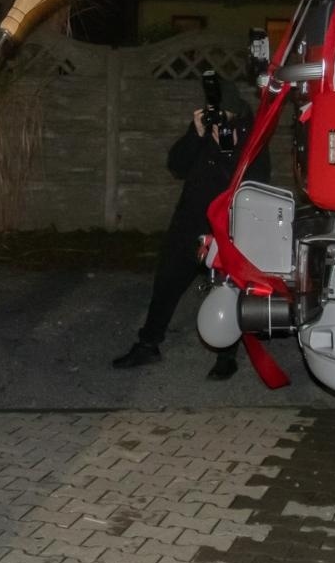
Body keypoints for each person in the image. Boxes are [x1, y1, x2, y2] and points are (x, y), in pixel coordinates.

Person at [112, 74, 270, 380]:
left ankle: (227, 355)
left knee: (228, 288)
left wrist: (231, 151)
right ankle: (148, 344)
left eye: (221, 113)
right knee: (167, 282)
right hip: (190, 221)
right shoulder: (204, 128)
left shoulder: (252, 134)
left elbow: (257, 182)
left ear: (234, 111)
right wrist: (196, 135)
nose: (216, 119)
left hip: (229, 224)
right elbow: (177, 165)